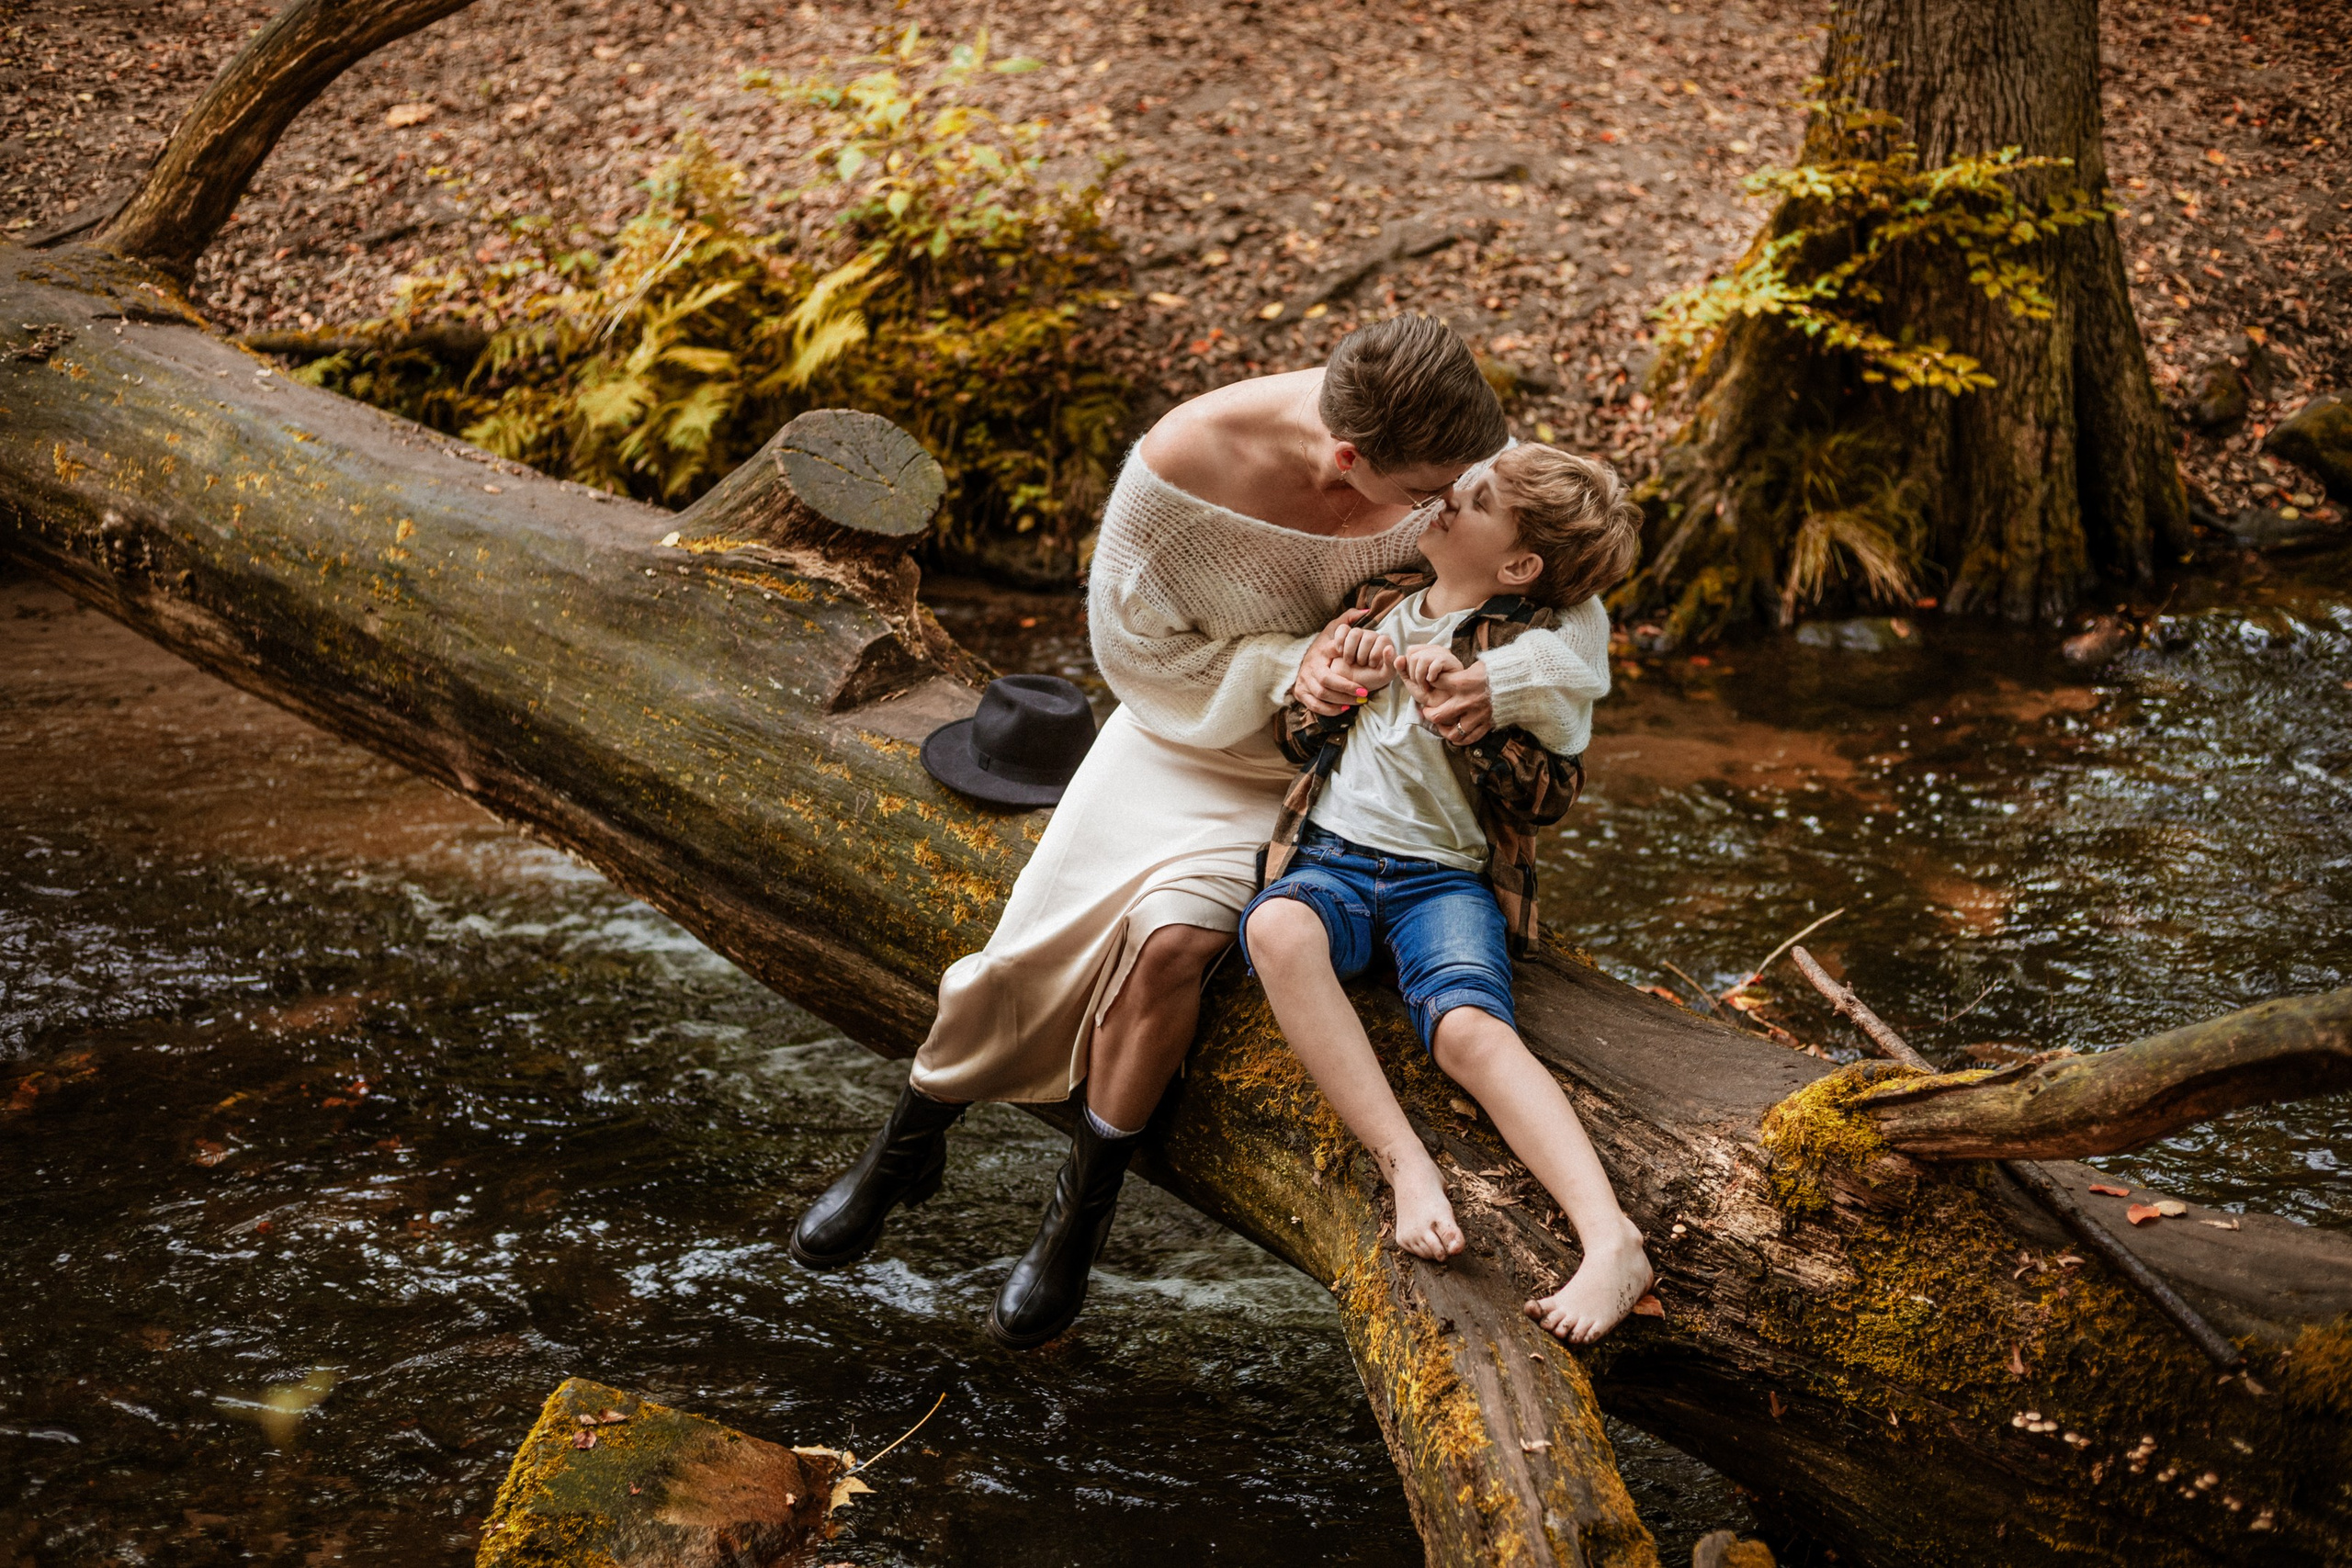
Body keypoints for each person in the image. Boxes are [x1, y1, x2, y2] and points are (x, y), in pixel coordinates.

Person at [791, 318, 1615, 1351]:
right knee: (1033, 940)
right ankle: (909, 1142)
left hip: (1324, 774)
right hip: (1189, 728)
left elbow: (1569, 609)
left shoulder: (1451, 446)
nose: (1439, 510)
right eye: (1420, 500)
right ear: (1349, 459)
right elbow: (1135, 658)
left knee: (1175, 943)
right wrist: (1295, 670)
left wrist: (1496, 683)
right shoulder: (1179, 474)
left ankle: (1077, 1217)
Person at [1241, 445, 1651, 1344]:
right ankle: (1404, 1161)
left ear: (1518, 566)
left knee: (1470, 1029)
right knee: (1276, 928)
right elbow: (1296, 738)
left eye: (1470, 502)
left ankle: (1610, 1236)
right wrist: (1326, 691)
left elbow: (1552, 793)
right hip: (1336, 861)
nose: (1443, 504)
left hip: (1442, 882)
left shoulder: (1531, 652)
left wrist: (1471, 718)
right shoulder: (1379, 603)